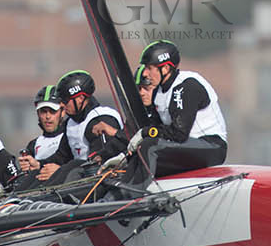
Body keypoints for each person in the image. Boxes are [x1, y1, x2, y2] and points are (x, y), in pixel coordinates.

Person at [129, 39, 228, 176]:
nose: (145, 73)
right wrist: (125, 155)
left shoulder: (186, 85)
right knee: (141, 151)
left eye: (149, 68)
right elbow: (157, 128)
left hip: (211, 146)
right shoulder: (158, 93)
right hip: (186, 147)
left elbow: (179, 133)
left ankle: (131, 193)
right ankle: (115, 194)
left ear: (165, 68)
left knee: (150, 146)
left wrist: (146, 133)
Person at [9, 84, 73, 192]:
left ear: (62, 112)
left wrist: (60, 171)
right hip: (37, 195)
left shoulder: (70, 137)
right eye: (43, 111)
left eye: (52, 111)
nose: (48, 117)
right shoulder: (33, 144)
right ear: (38, 113)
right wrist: (26, 169)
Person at [57, 69, 126, 162]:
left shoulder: (101, 118)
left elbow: (100, 158)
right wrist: (40, 164)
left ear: (80, 98)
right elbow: (62, 156)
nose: (61, 105)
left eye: (65, 100)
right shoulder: (69, 123)